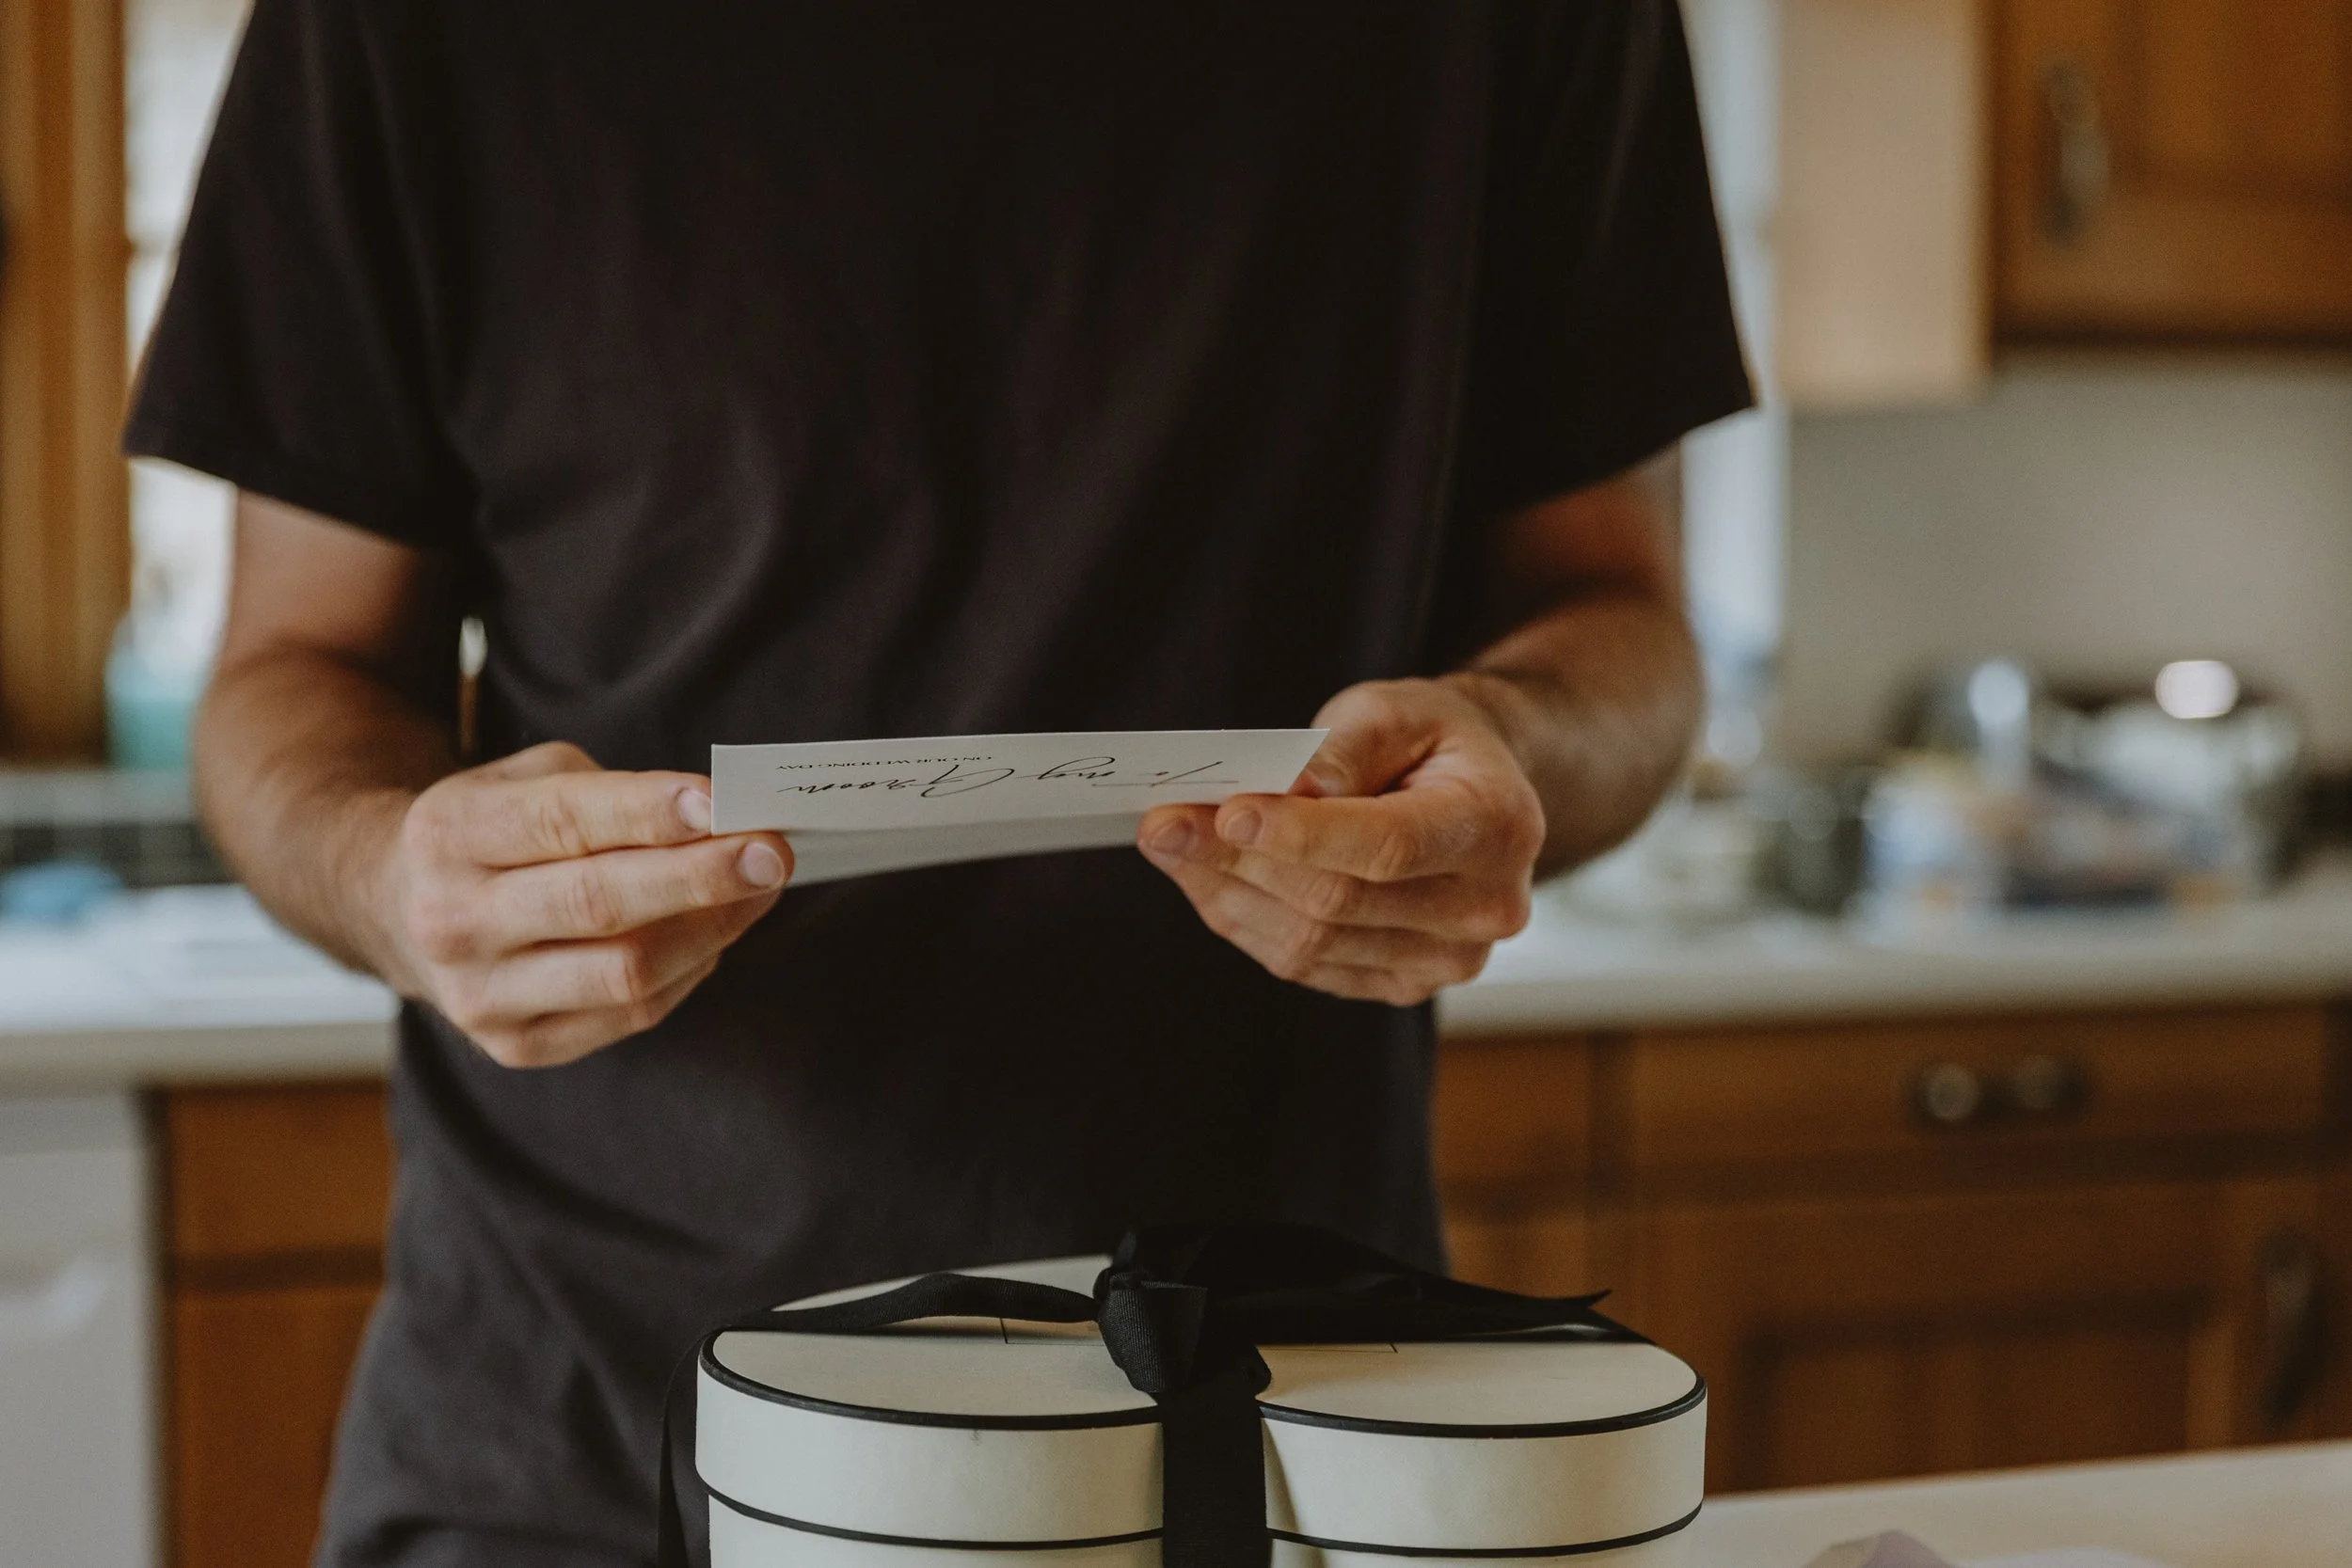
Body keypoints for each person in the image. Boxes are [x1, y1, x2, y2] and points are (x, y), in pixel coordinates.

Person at [126, 3, 1751, 1564]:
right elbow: (297, 666)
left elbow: (1621, 619)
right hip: (583, 1435)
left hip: (1262, 1418)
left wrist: (1511, 752)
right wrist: (393, 875)